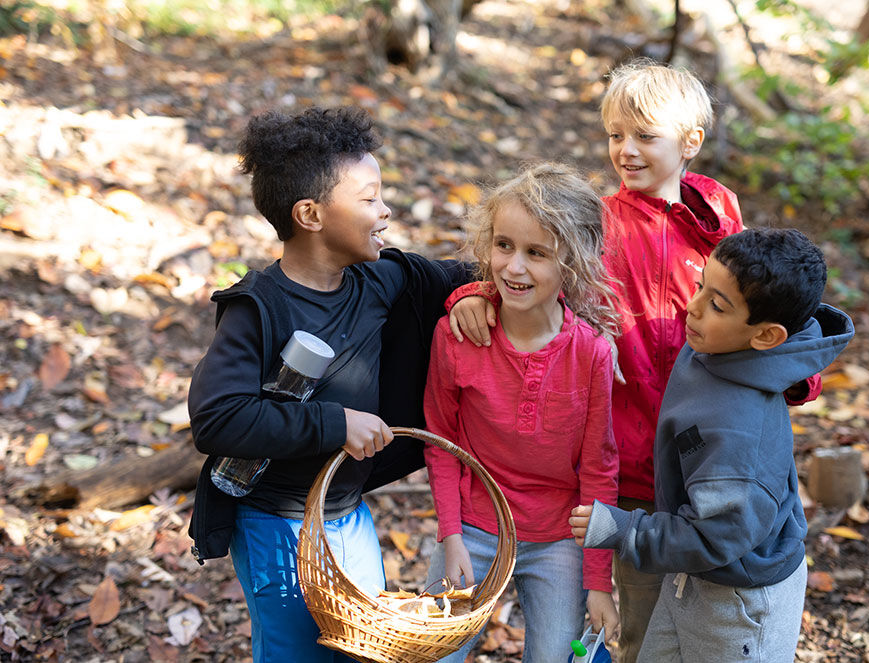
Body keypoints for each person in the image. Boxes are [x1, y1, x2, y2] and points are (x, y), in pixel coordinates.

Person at [446, 58, 823, 661]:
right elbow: (533, 270)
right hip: (631, 463)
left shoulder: (718, 214)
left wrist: (792, 371)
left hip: (711, 451)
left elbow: (765, 296)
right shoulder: (600, 220)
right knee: (641, 616)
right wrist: (474, 293)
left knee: (704, 596)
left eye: (645, 136)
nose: (626, 150)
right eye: (615, 134)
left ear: (690, 141)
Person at [186, 106, 473, 663]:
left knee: (363, 650)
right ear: (311, 214)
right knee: (299, 653)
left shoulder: (377, 280)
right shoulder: (258, 308)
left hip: (348, 516)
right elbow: (217, 417)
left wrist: (471, 299)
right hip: (275, 525)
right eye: (369, 199)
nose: (385, 211)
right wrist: (335, 423)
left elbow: (460, 277)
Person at [569, 227, 855, 663]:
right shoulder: (720, 344)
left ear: (766, 336)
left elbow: (715, 535)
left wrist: (624, 530)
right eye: (700, 285)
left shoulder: (739, 436)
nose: (693, 305)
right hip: (691, 573)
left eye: (717, 304)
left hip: (738, 602)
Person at [422, 163, 622, 663]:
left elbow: (598, 470)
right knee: (433, 653)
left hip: (557, 537)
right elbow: (442, 441)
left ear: (572, 263)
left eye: (536, 253)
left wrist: (598, 582)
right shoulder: (458, 336)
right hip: (473, 524)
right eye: (504, 245)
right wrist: (450, 537)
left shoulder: (592, 354)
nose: (513, 267)